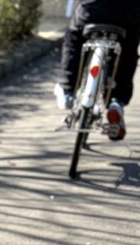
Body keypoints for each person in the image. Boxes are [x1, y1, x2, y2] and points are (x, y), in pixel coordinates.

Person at [55, 0, 140, 140]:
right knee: (128, 51)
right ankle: (116, 101)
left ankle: (67, 88)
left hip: (91, 10)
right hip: (127, 13)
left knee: (74, 39)